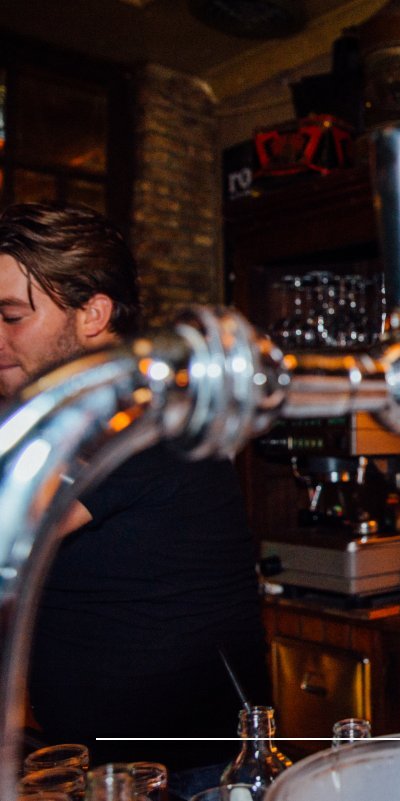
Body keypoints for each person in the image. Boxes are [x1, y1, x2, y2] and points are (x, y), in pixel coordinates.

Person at [0, 202, 269, 789]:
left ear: (93, 313)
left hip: (193, 775)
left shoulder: (143, 413)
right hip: (103, 765)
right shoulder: (73, 411)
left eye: (12, 315)